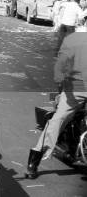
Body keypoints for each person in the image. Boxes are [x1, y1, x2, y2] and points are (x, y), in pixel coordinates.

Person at [25, 27, 87, 179]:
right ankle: (35, 160)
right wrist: (60, 78)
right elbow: (61, 62)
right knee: (57, 120)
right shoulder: (75, 39)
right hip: (76, 88)